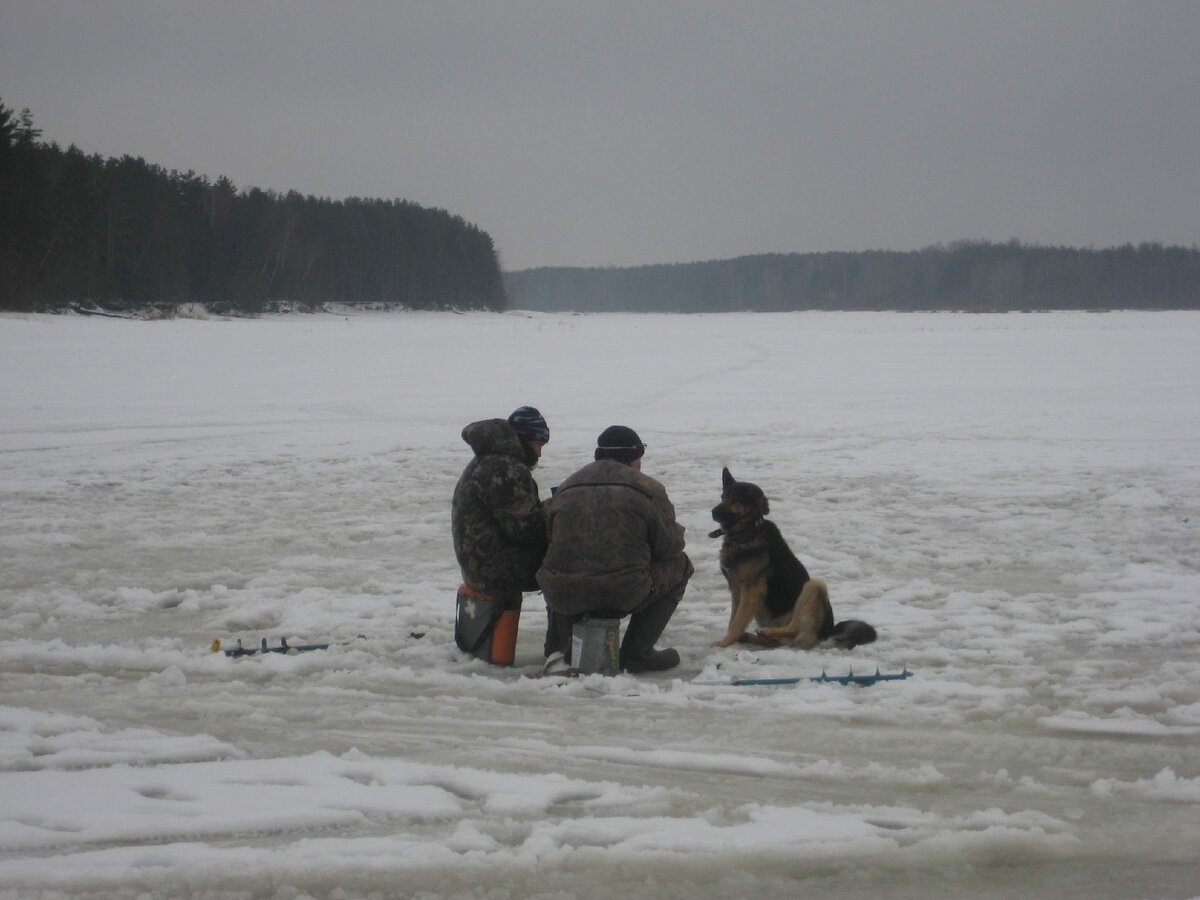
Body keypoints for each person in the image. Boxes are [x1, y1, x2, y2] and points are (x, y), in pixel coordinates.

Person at [536, 425, 693, 674]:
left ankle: (557, 646)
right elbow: (669, 547)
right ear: (632, 457)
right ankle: (637, 652)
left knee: (562, 568)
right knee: (681, 565)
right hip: (622, 591)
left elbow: (550, 539)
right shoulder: (647, 488)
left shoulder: (567, 486)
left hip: (563, 594)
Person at [451, 406, 550, 663]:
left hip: (476, 563)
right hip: (494, 569)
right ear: (525, 439)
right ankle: (561, 649)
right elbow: (526, 531)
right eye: (539, 444)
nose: (539, 453)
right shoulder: (507, 469)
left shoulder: (483, 461)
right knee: (566, 567)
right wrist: (553, 512)